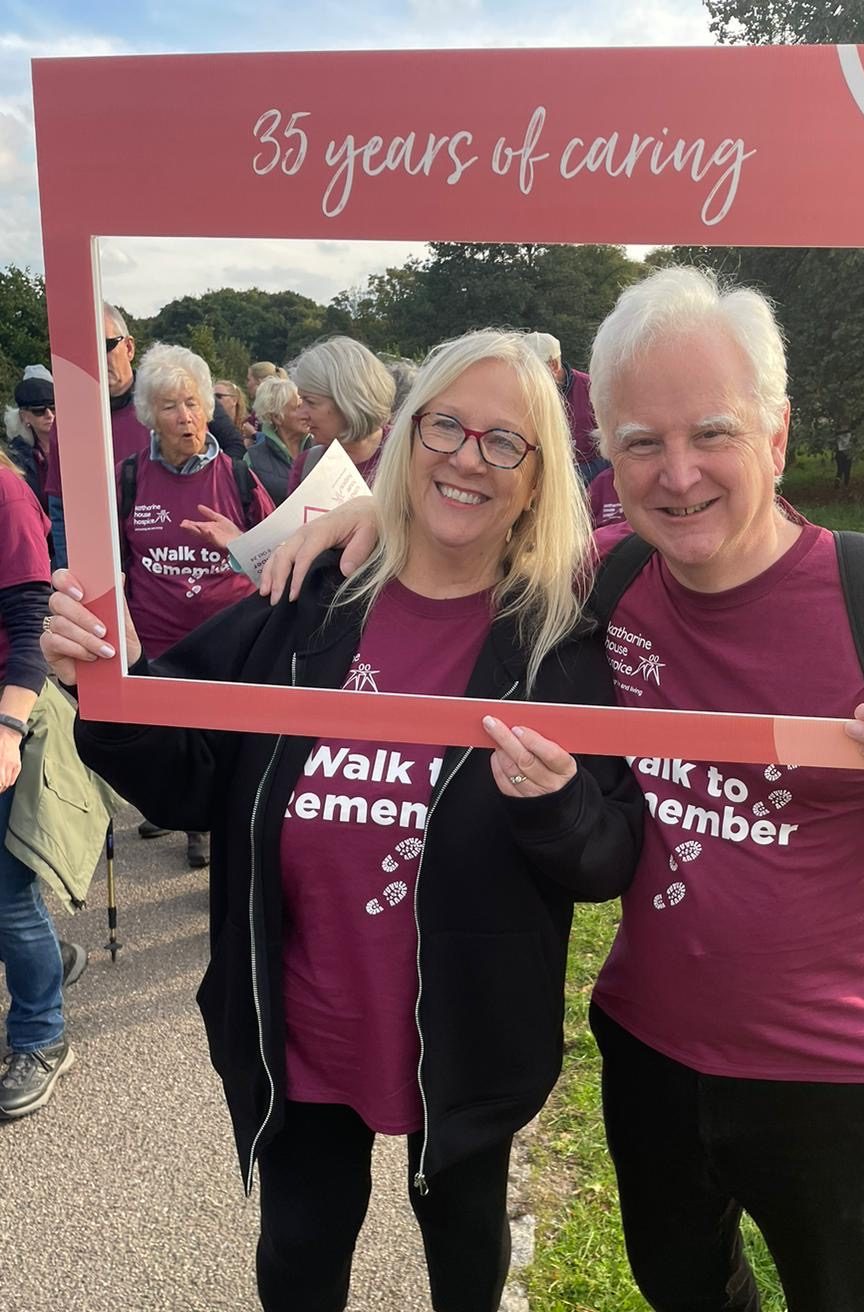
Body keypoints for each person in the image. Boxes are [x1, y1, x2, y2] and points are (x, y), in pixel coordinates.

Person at [264, 267, 864, 1312]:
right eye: (641, 442)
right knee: (683, 1288)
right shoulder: (600, 580)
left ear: (777, 437)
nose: (677, 474)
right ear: (608, 457)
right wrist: (361, 514)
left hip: (831, 1068)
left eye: (712, 434)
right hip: (648, 1046)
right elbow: (462, 521)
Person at [43, 329, 642, 1312]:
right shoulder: (310, 600)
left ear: (537, 481)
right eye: (445, 425)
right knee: (298, 1260)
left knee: (465, 1263)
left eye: (505, 442)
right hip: (307, 1028)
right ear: (406, 438)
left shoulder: (558, 647)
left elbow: (607, 855)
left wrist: (560, 804)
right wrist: (109, 689)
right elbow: (194, 773)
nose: (466, 456)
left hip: (466, 1042)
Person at [119, 343, 274, 869]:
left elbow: (272, 557)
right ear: (150, 416)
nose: (185, 417)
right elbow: (117, 559)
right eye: (170, 407)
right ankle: (179, 809)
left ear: (208, 406)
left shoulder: (237, 476)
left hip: (228, 639)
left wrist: (237, 545)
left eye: (192, 402)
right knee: (167, 735)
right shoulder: (131, 478)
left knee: (223, 735)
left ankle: (210, 824)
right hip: (159, 642)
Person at [0, 447, 85, 1117]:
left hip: (6, 713)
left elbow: (32, 624)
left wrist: (7, 728)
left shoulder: (7, 494)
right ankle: (49, 958)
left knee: (6, 893)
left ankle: (41, 1035)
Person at [44, 303, 246, 571]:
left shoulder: (175, 394)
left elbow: (232, 447)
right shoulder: (70, 420)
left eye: (105, 346)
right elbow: (61, 508)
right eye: (84, 350)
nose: (95, 359)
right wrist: (72, 572)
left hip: (192, 557)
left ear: (129, 348)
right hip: (112, 564)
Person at [284, 336, 395, 497]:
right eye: (301, 401)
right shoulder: (308, 466)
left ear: (349, 402)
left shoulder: (411, 454)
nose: (300, 414)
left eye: (311, 402)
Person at [526, 331, 607, 485]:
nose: (527, 378)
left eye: (533, 371)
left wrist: (576, 477)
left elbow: (612, 449)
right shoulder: (521, 394)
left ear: (554, 365)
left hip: (590, 486)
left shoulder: (592, 390)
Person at [243, 376, 314, 506]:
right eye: (298, 407)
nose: (307, 414)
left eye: (306, 405)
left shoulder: (322, 449)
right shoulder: (253, 460)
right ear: (277, 417)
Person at [4, 366, 55, 519]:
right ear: (24, 416)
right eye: (39, 410)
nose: (49, 415)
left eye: (54, 407)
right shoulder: (15, 458)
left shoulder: (78, 445)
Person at [244, 361, 285, 442]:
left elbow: (277, 442)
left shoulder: (274, 409)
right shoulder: (258, 409)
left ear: (260, 382)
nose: (247, 385)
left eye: (249, 380)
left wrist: (253, 434)